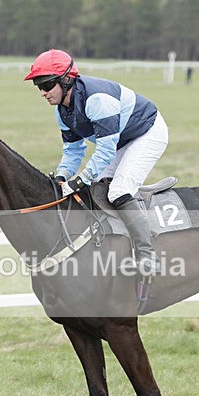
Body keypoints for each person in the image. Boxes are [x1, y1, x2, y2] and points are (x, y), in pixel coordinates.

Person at [24, 49, 168, 275]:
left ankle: (148, 257)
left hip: (147, 133)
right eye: (38, 87)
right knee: (97, 191)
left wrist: (80, 179)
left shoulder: (97, 100)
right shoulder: (62, 111)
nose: (42, 92)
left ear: (66, 80)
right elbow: (73, 150)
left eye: (46, 85)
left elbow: (106, 150)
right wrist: (63, 176)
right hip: (122, 141)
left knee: (119, 190)